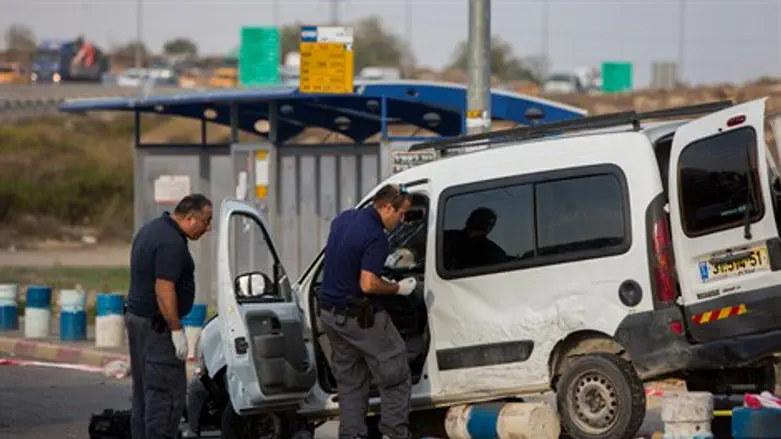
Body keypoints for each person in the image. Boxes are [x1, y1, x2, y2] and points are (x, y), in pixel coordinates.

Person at [318, 183, 418, 439]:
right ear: (386, 207)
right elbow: (368, 283)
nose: (403, 219)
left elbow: (345, 259)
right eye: (401, 213)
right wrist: (397, 288)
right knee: (396, 375)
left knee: (351, 383)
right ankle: (395, 434)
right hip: (360, 318)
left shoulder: (344, 219)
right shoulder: (377, 237)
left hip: (331, 315)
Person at [125, 194, 213, 439]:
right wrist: (175, 329)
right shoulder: (171, 243)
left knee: (144, 395)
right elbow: (164, 288)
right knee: (165, 397)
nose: (209, 228)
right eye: (206, 221)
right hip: (157, 327)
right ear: (189, 218)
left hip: (138, 320)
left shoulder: (151, 229)